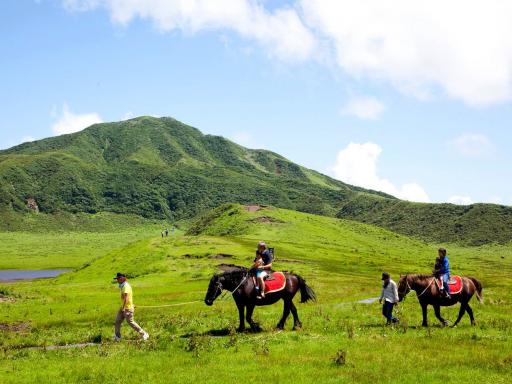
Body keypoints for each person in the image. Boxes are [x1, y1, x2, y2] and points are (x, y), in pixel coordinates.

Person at [113, 272, 149, 341]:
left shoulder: (126, 286)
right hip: (123, 307)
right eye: (117, 279)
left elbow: (126, 297)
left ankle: (144, 334)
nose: (117, 280)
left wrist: (124, 308)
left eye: (118, 278)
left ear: (123, 278)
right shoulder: (123, 286)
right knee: (117, 321)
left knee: (130, 322)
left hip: (127, 308)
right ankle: (117, 337)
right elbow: (128, 297)